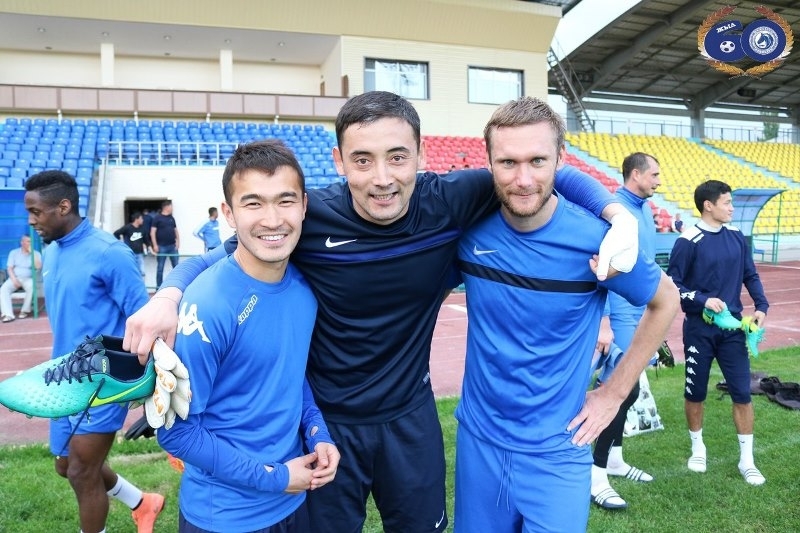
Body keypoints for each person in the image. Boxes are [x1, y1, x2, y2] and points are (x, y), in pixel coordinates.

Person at [123, 91, 641, 533]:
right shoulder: (307, 216)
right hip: (326, 425)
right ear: (339, 161)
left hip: (409, 419)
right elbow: (227, 253)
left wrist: (618, 214)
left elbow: (539, 173)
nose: (382, 177)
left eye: (397, 157)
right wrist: (168, 296)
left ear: (421, 154)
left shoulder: (451, 200)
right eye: (363, 159)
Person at [453, 96, 678, 533]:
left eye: (538, 161)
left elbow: (665, 299)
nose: (523, 179)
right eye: (508, 162)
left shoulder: (597, 240)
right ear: (489, 162)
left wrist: (614, 393)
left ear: (561, 158)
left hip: (559, 450)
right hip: (478, 446)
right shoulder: (467, 229)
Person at [156, 140, 340, 531]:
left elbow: (287, 376)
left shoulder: (305, 288)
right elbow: (176, 434)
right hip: (225, 517)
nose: (272, 220)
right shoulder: (205, 306)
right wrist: (275, 477)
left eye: (285, 201)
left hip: (292, 501)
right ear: (229, 213)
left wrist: (317, 432)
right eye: (253, 203)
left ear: (304, 206)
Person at [23, 170, 164, 533]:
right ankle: (143, 502)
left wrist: (150, 386)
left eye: (36, 212)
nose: (31, 221)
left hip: (103, 381)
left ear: (63, 207)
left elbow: (145, 319)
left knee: (81, 471)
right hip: (63, 378)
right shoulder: (52, 252)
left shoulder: (109, 253)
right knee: (65, 465)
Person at [666, 179, 769, 485]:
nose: (732, 208)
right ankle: (698, 449)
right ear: (708, 206)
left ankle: (747, 461)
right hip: (699, 330)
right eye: (727, 203)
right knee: (695, 392)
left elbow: (750, 274)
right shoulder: (688, 240)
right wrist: (702, 300)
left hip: (733, 330)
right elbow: (673, 286)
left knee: (742, 393)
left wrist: (761, 305)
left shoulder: (736, 237)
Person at [591, 152, 662, 509]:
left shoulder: (645, 210)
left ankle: (615, 459)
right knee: (617, 390)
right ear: (636, 174)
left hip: (640, 313)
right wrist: (603, 320)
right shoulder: (614, 210)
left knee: (630, 392)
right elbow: (598, 264)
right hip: (618, 313)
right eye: (654, 175)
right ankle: (595, 473)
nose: (658, 181)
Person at [1, 234, 42, 322]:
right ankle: (8, 314)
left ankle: (24, 311)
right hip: (14, 278)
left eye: (31, 242)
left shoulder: (36, 253)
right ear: (22, 243)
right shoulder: (14, 252)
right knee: (3, 289)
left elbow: (38, 266)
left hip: (28, 279)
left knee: (32, 287)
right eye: (28, 241)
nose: (30, 243)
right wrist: (14, 279)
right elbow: (9, 268)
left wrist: (32, 253)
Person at [150, 199, 180, 288]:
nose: (172, 208)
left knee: (176, 267)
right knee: (160, 268)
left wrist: (178, 242)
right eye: (171, 206)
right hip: (161, 246)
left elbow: (175, 231)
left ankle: (178, 286)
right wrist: (155, 245)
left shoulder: (171, 218)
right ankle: (158, 287)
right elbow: (152, 232)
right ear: (166, 207)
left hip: (172, 246)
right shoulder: (157, 218)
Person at [113, 211, 150, 277]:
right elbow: (116, 233)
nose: (142, 220)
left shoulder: (142, 229)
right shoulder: (127, 227)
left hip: (139, 253)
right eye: (141, 218)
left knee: (142, 272)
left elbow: (146, 240)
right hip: (130, 253)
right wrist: (119, 242)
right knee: (130, 271)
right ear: (136, 219)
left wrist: (151, 249)